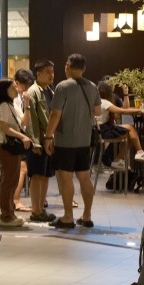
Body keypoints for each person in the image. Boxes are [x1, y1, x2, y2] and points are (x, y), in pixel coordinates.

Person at [43, 54, 100, 229]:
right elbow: (98, 111)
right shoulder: (92, 86)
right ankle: (87, 216)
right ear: (84, 68)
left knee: (65, 177)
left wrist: (48, 136)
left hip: (65, 140)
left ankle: (68, 217)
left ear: (67, 66)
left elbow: (55, 114)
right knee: (84, 177)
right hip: (84, 140)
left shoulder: (63, 86)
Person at [0, 79, 32, 229]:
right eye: (13, 87)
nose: (17, 89)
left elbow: (24, 123)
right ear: (6, 90)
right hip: (7, 148)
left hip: (13, 148)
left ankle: (10, 214)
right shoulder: (4, 105)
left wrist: (27, 104)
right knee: (8, 182)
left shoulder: (12, 105)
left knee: (12, 181)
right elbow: (3, 127)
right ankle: (6, 215)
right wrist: (22, 136)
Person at [26, 60, 57, 224]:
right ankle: (35, 210)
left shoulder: (50, 90)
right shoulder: (33, 92)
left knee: (45, 175)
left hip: (49, 140)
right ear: (38, 74)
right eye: (48, 72)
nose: (51, 75)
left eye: (52, 71)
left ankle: (41, 209)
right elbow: (32, 120)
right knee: (37, 175)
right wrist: (36, 142)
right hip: (39, 141)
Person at [97, 82, 144, 167]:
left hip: (98, 131)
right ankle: (140, 152)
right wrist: (140, 110)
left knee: (130, 134)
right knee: (131, 128)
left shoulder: (96, 102)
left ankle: (117, 159)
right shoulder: (104, 102)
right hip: (104, 130)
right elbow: (123, 111)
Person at [12, 69, 35, 213]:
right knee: (22, 169)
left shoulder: (18, 96)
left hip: (17, 136)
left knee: (21, 169)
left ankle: (14, 200)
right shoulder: (14, 98)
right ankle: (15, 201)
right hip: (15, 137)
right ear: (17, 83)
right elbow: (24, 122)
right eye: (24, 85)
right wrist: (27, 104)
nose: (26, 89)